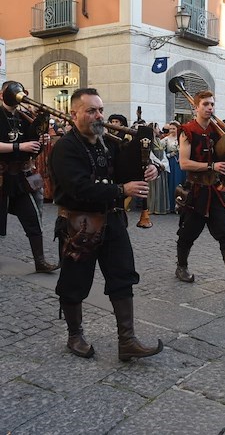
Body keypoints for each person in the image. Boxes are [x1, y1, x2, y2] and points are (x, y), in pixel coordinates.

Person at [50, 88, 163, 361]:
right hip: (80, 225)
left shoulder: (108, 143)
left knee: (122, 277)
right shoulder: (65, 148)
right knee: (75, 282)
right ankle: (74, 335)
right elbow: (79, 188)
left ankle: (127, 341)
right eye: (91, 110)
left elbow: (127, 170)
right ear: (74, 114)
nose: (99, 116)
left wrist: (150, 169)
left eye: (100, 110)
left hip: (112, 220)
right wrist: (121, 190)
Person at [175, 90, 225, 289]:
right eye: (205, 104)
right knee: (188, 233)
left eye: (212, 104)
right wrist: (212, 166)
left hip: (216, 191)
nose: (210, 108)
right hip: (196, 191)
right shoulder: (187, 130)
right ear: (196, 107)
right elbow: (184, 163)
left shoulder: (216, 129)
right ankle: (181, 267)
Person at [0, 80, 58, 273]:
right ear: (2, 95)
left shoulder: (25, 117)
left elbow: (33, 147)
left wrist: (41, 140)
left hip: (20, 177)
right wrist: (19, 146)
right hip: (0, 177)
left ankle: (40, 262)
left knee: (32, 219)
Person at [147, 122, 170, 214]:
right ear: (153, 129)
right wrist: (158, 163)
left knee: (161, 186)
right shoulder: (149, 140)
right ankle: (152, 207)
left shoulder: (158, 140)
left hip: (161, 167)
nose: (159, 129)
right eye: (157, 128)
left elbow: (163, 153)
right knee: (153, 187)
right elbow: (150, 154)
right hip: (154, 166)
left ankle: (160, 207)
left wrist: (164, 163)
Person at [164, 121, 186, 213]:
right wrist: (170, 155)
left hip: (181, 162)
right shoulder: (166, 140)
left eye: (174, 128)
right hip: (172, 163)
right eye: (170, 129)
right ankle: (172, 205)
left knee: (181, 182)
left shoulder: (183, 138)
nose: (172, 130)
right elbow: (161, 153)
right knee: (172, 182)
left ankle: (182, 205)